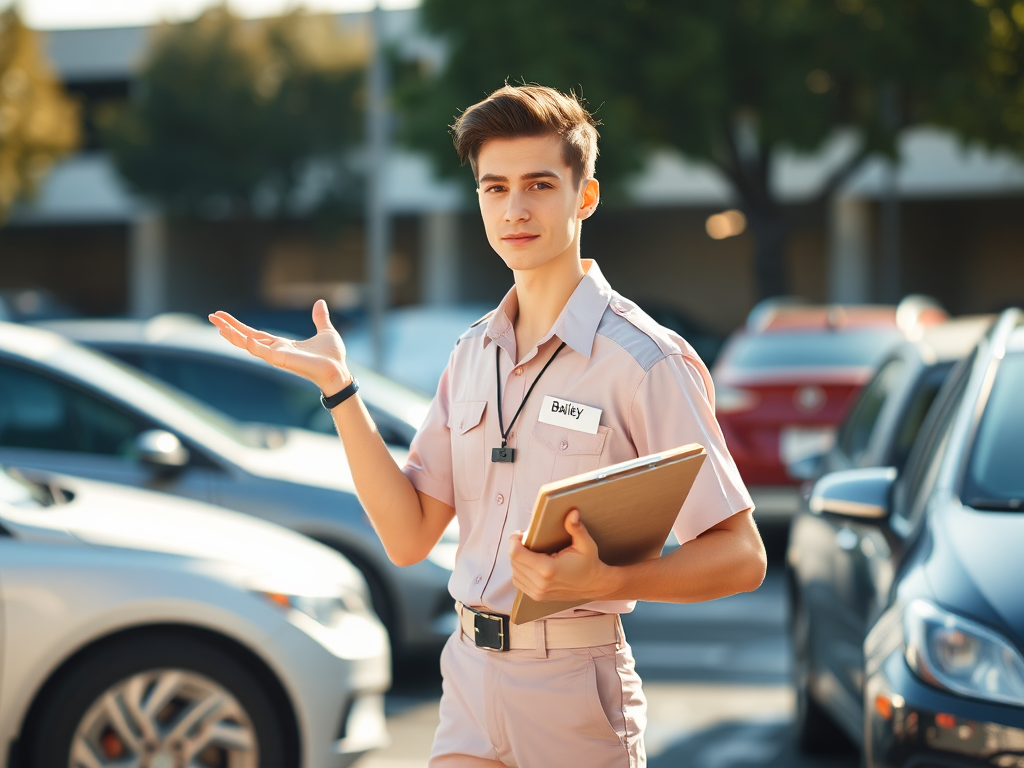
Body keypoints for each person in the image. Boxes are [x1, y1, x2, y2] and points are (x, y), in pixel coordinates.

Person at [210, 83, 766, 768]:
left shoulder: (644, 361)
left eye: (538, 184)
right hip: (469, 678)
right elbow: (408, 535)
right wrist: (340, 390)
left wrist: (604, 580)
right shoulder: (472, 353)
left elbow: (742, 557)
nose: (516, 208)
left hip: (573, 693)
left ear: (583, 196)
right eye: (495, 188)